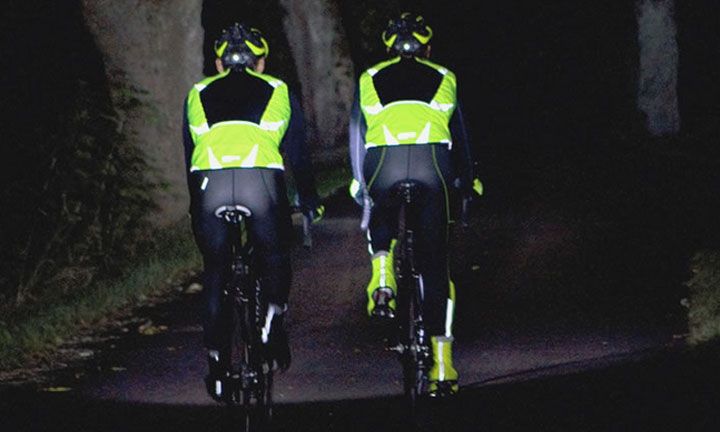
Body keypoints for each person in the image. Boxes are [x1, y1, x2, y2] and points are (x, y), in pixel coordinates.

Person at [183, 23, 322, 402]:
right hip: (260, 183)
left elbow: (189, 155)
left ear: (218, 63)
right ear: (261, 62)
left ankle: (216, 366)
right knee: (274, 253)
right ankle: (272, 321)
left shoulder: (197, 92)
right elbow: (298, 154)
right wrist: (309, 198)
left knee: (215, 269)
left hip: (209, 184)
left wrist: (196, 206)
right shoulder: (278, 88)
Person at [348, 12, 482, 396]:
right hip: (432, 166)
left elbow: (357, 134)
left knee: (379, 207)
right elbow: (460, 137)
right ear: (428, 48)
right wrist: (468, 180)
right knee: (435, 266)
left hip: (383, 163)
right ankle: (443, 365)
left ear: (388, 49)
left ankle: (382, 273)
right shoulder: (445, 77)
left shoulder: (369, 78)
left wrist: (359, 182)